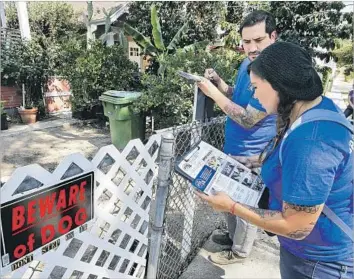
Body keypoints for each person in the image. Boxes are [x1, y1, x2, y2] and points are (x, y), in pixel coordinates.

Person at [197, 42, 353, 278]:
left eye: (256, 87)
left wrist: (231, 206)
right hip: (310, 254)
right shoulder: (317, 108)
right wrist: (256, 160)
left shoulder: (311, 142)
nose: (255, 96)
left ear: (279, 85)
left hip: (319, 263)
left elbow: (296, 226)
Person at [200, 10, 277, 264]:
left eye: (258, 40)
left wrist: (213, 94)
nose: (251, 48)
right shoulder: (247, 63)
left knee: (244, 204)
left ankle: (240, 251)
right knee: (229, 197)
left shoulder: (274, 73)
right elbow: (236, 95)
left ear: (273, 36)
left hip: (254, 153)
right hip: (233, 146)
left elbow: (248, 117)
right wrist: (219, 83)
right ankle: (234, 238)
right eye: (246, 41)